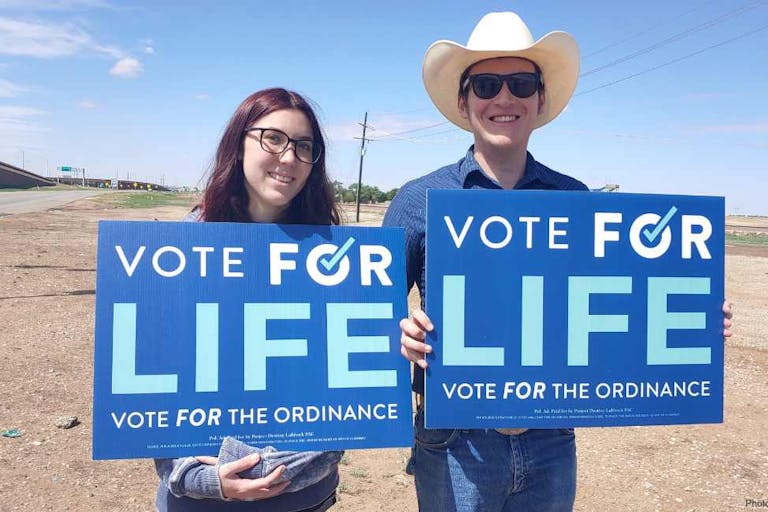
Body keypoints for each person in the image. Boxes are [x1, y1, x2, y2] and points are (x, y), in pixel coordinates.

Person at [383, 12, 734, 512]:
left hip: (550, 437)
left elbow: (619, 306)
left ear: (540, 99)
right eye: (486, 84)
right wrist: (402, 335)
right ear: (464, 101)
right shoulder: (417, 199)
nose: (504, 98)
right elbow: (370, 317)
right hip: (456, 440)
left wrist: (692, 320)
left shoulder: (575, 199)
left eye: (521, 83)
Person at [154, 87, 343, 512]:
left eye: (304, 147)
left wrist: (270, 470)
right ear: (238, 143)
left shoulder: (334, 258)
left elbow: (343, 407)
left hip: (302, 500)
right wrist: (202, 478)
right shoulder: (179, 250)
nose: (289, 157)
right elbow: (155, 391)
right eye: (273, 138)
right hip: (198, 500)